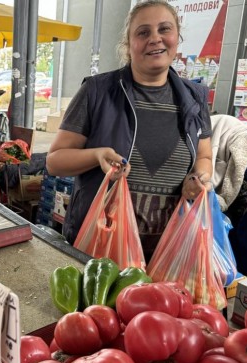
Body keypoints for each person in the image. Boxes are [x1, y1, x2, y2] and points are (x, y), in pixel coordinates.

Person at [46, 0, 213, 261]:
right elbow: (54, 161)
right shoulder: (96, 92)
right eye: (143, 32)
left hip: (168, 252)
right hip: (101, 249)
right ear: (129, 44)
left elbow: (204, 157)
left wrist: (200, 179)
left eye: (164, 29)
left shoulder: (195, 99)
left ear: (176, 38)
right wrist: (96, 155)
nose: (155, 39)